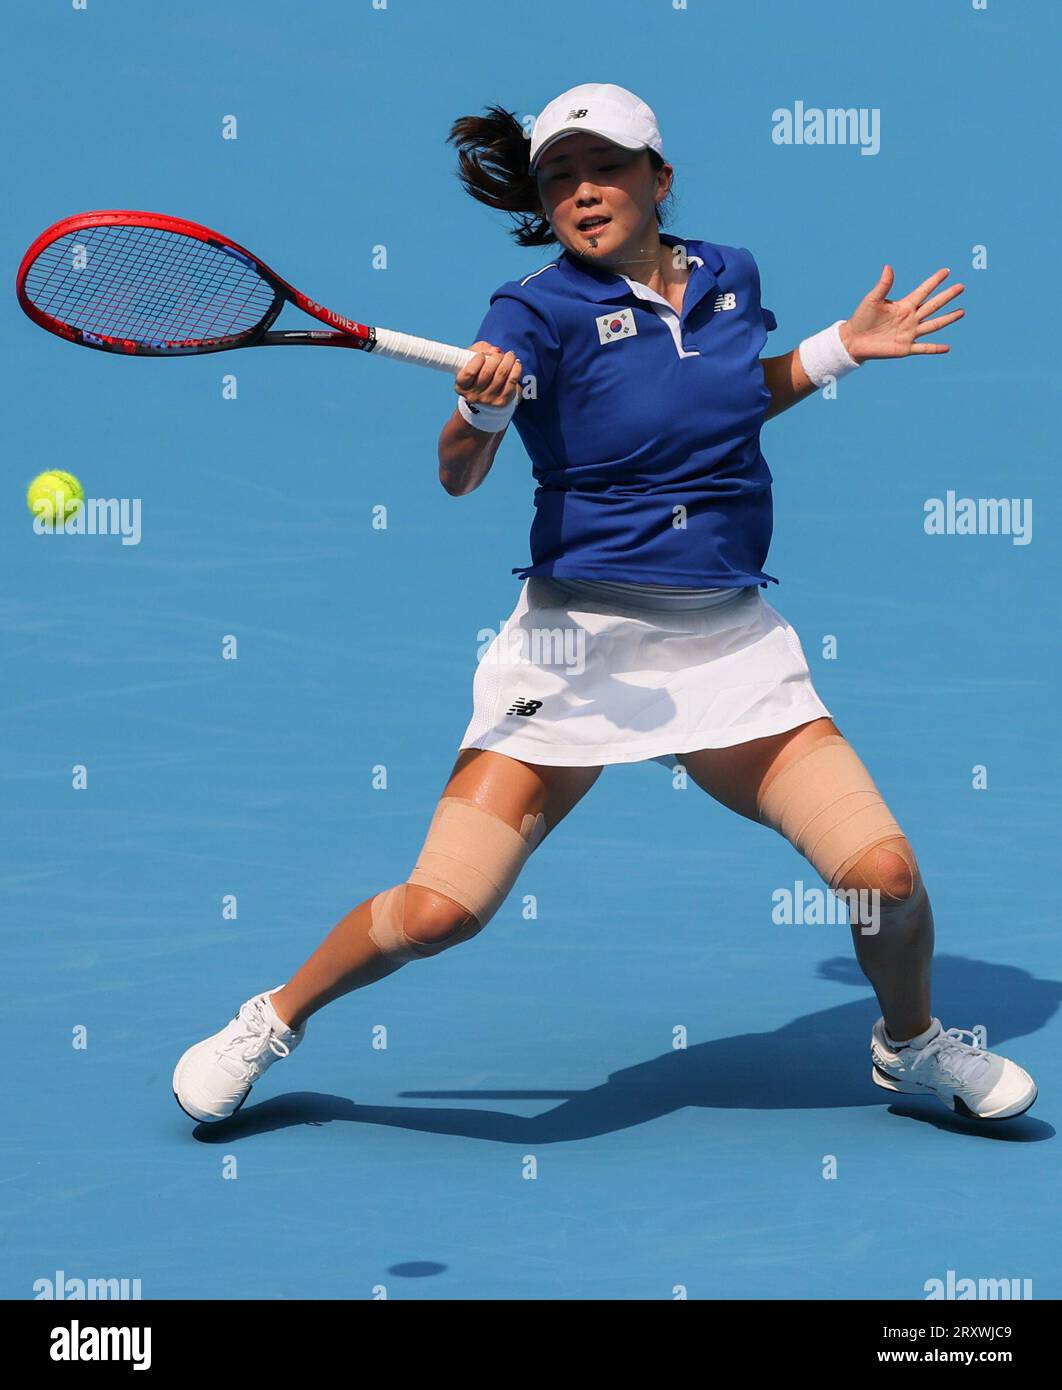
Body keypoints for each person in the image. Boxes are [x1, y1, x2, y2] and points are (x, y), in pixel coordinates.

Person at [173, 83, 1036, 1125]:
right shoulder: (530, 311)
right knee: (443, 910)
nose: (584, 192)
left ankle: (911, 1046)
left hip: (726, 647)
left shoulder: (729, 274)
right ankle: (273, 1016)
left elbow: (721, 400)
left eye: (608, 167)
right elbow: (457, 475)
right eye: (559, 177)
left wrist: (836, 350)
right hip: (575, 650)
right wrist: (479, 413)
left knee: (885, 877)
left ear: (659, 178)